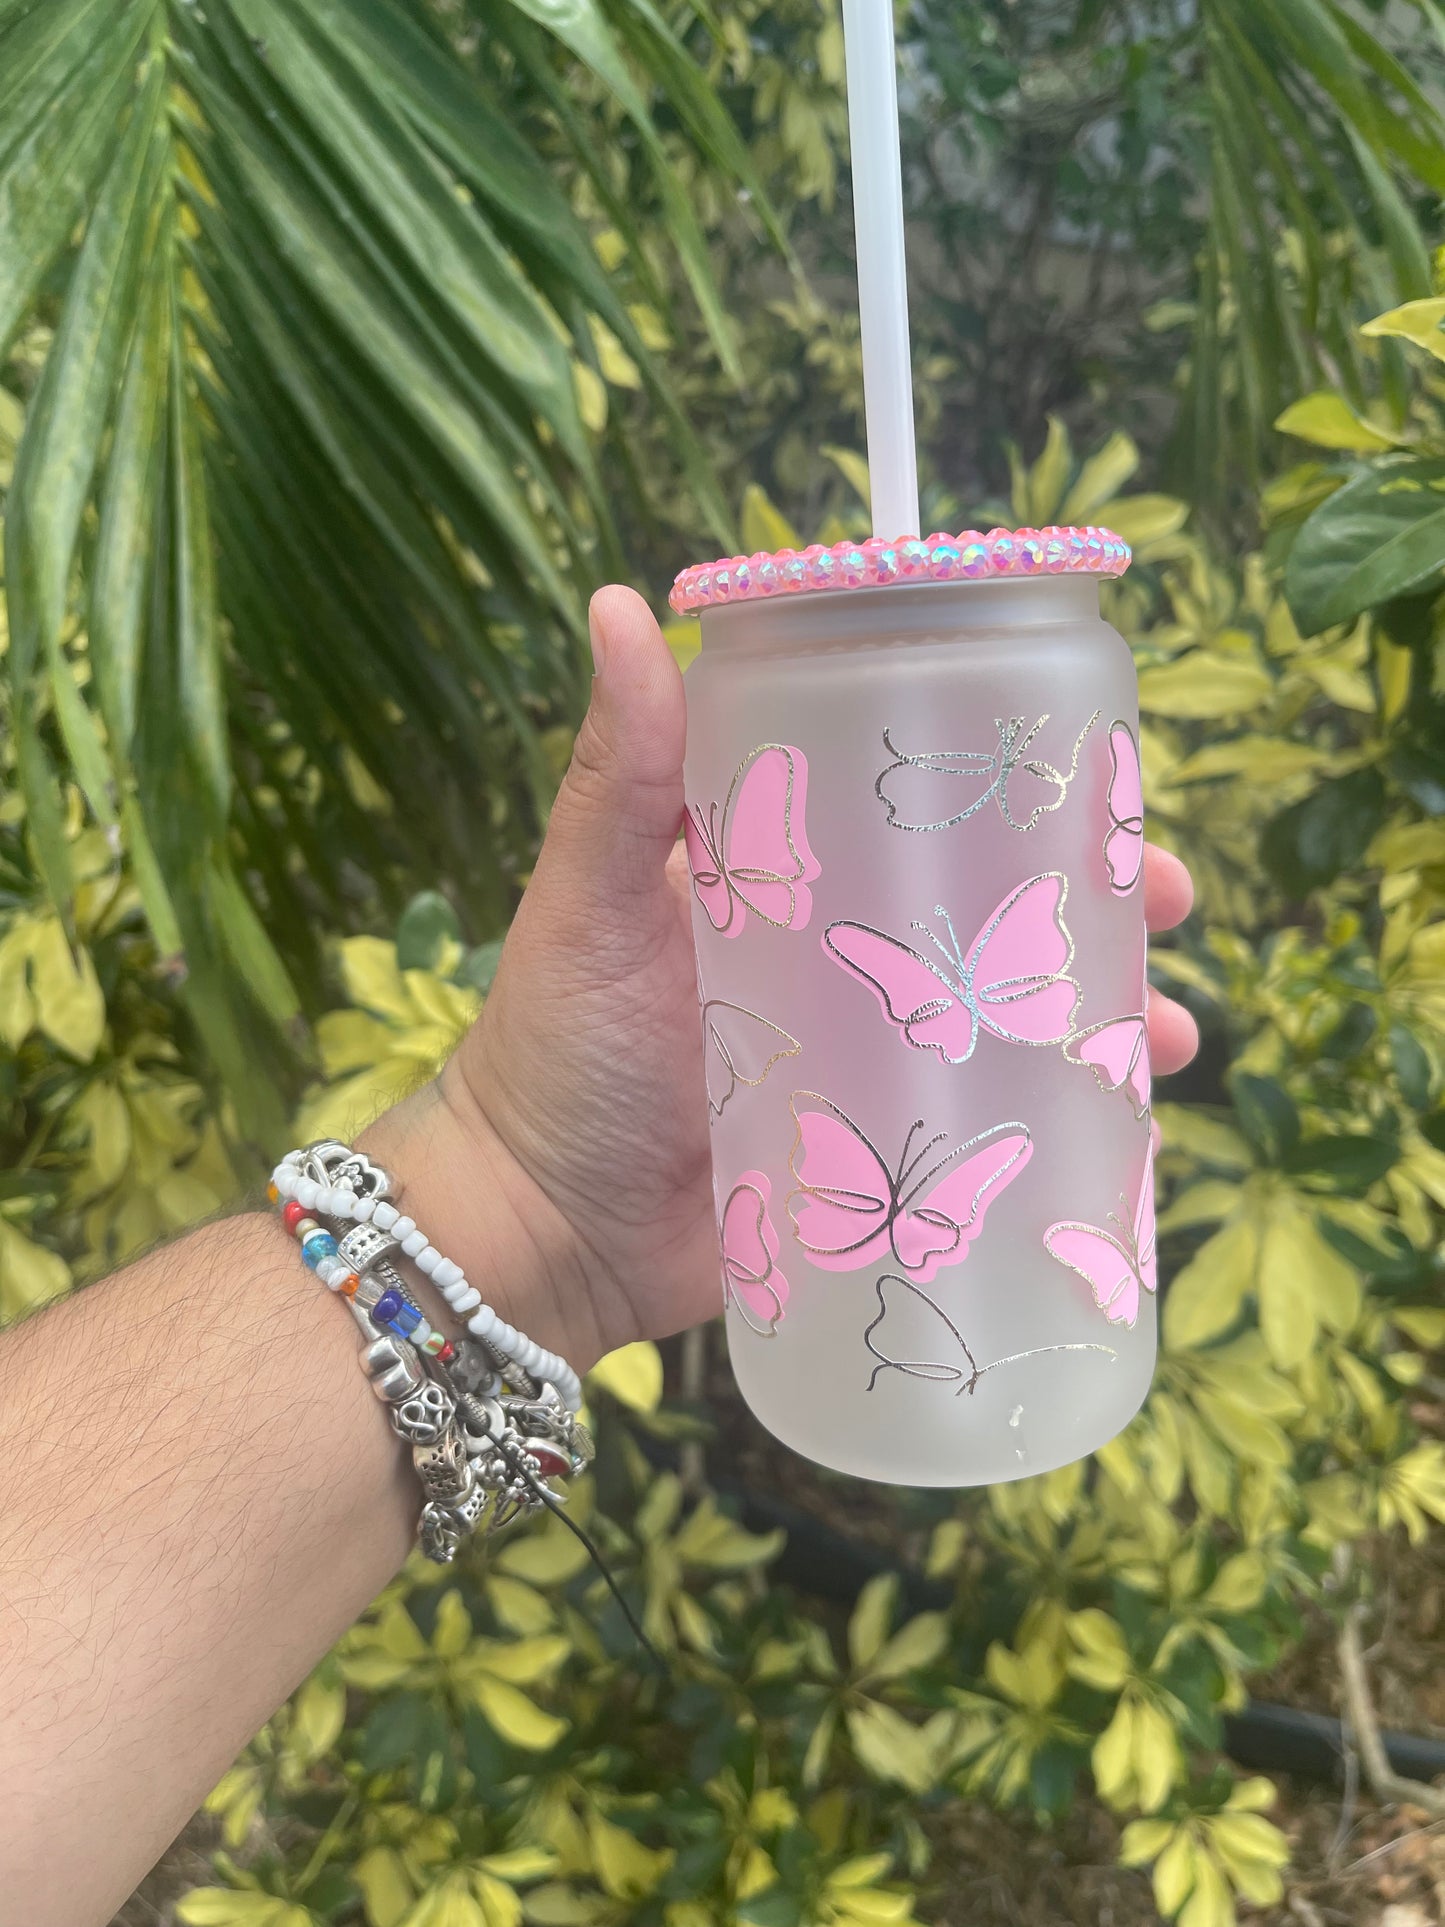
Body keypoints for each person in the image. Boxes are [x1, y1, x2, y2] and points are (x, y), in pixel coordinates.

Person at [0, 588, 1198, 1927]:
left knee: (1038, 1055)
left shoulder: (1046, 665)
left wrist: (515, 1193)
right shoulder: (877, 691)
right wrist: (516, 1179)